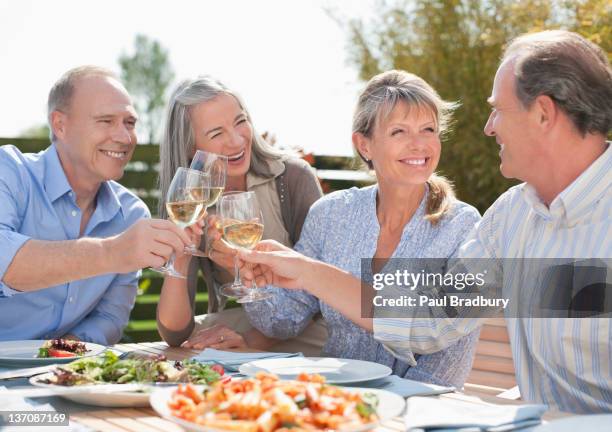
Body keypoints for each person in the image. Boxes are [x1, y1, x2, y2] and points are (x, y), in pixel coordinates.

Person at [240, 30, 612, 412]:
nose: (488, 127)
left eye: (498, 109)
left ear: (543, 114)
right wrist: (305, 272)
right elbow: (431, 318)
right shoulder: (511, 216)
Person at [239, 70, 482, 388]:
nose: (419, 144)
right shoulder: (330, 215)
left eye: (428, 129)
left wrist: (385, 409)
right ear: (364, 145)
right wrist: (249, 275)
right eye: (399, 132)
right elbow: (283, 319)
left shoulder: (463, 227)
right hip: (334, 403)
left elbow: (441, 348)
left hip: (420, 413)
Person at [0, 66, 192, 345]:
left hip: (61, 374)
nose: (125, 138)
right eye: (106, 121)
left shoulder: (132, 214)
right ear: (60, 125)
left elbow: (110, 318)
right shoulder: (9, 171)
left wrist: (60, 356)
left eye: (129, 123)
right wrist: (113, 251)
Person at [155, 76, 325, 352]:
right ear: (189, 146)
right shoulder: (190, 199)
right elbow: (174, 333)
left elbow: (321, 291)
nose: (236, 140)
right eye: (216, 133)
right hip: (252, 321)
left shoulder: (291, 178)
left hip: (309, 324)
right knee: (193, 344)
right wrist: (182, 255)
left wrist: (250, 343)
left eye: (240, 121)